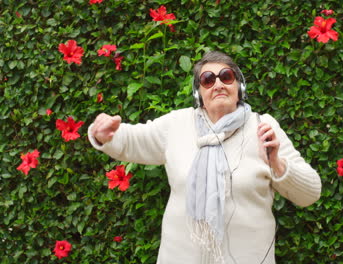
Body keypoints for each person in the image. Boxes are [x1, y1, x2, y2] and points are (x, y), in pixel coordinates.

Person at [88, 51, 321, 264]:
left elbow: (310, 193)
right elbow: (131, 139)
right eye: (208, 80)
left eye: (226, 76)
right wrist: (104, 134)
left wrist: (277, 163)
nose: (218, 84)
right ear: (198, 93)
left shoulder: (263, 127)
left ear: (239, 86)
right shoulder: (177, 124)